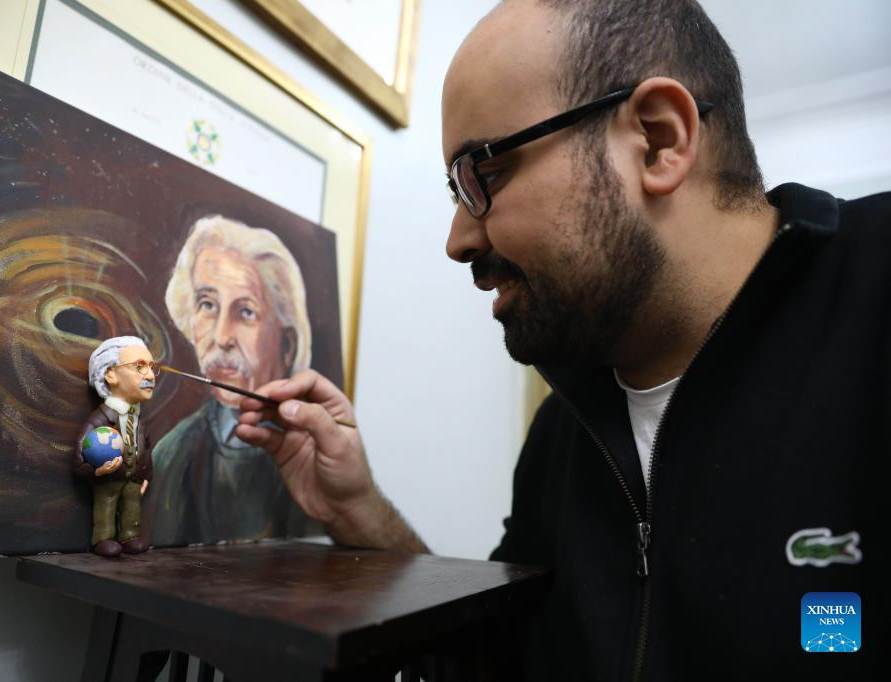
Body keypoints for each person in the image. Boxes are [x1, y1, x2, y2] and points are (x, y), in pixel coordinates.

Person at [235, 0, 888, 678]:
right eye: (457, 192)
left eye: (484, 174)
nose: (458, 240)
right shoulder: (565, 428)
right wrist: (359, 510)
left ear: (657, 141)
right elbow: (491, 659)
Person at [149, 215, 317, 546]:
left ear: (287, 345)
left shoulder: (316, 455)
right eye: (207, 305)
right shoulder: (174, 455)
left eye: (246, 312)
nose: (222, 337)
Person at [74, 336, 156, 558]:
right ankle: (103, 538)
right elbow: (80, 455)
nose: (150, 375)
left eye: (151, 367)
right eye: (139, 366)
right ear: (110, 374)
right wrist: (97, 471)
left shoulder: (138, 418)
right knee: (106, 504)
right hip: (108, 477)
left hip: (133, 478)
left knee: (132, 505)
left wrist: (146, 474)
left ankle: (130, 535)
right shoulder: (100, 419)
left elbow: (147, 446)